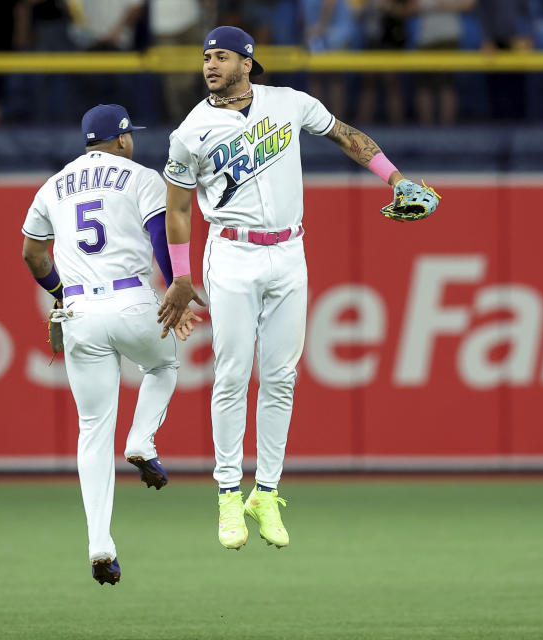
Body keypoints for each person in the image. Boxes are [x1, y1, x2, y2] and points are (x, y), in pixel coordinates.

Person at [157, 26, 439, 550]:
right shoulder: (190, 131)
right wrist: (179, 274)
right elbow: (176, 208)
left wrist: (395, 178)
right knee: (233, 373)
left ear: (247, 62)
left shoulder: (288, 103)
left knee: (282, 376)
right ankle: (226, 495)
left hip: (290, 251)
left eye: (221, 57)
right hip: (232, 250)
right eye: (206, 58)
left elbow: (346, 134)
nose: (210, 66)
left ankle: (266, 492)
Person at [21, 104, 199, 586]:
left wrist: (59, 292)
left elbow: (32, 252)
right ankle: (142, 440)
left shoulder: (51, 186)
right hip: (133, 299)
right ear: (121, 139)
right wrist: (176, 289)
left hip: (79, 312)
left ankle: (100, 543)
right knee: (162, 368)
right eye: (130, 136)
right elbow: (163, 233)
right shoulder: (141, 176)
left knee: (92, 430)